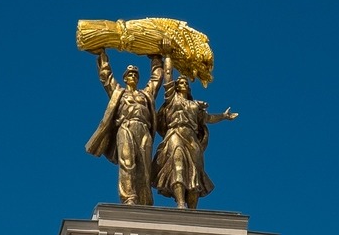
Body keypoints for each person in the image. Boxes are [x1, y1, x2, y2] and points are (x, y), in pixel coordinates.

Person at [83, 48, 164, 206]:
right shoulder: (119, 93)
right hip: (125, 127)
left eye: (135, 74)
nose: (133, 76)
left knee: (145, 167)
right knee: (127, 162)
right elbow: (106, 78)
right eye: (130, 74)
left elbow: (156, 80)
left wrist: (156, 58)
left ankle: (144, 199)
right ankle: (129, 197)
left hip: (143, 129)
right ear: (125, 78)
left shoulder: (145, 94)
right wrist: (102, 55)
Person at [151, 71, 238, 210]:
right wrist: (167, 56)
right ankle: (180, 203)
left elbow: (208, 119)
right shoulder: (172, 99)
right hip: (175, 133)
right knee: (177, 166)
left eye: (186, 83)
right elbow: (167, 77)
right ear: (176, 86)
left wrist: (224, 116)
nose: (184, 84)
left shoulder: (195, 105)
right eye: (181, 83)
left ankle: (192, 211)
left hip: (192, 139)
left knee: (194, 174)